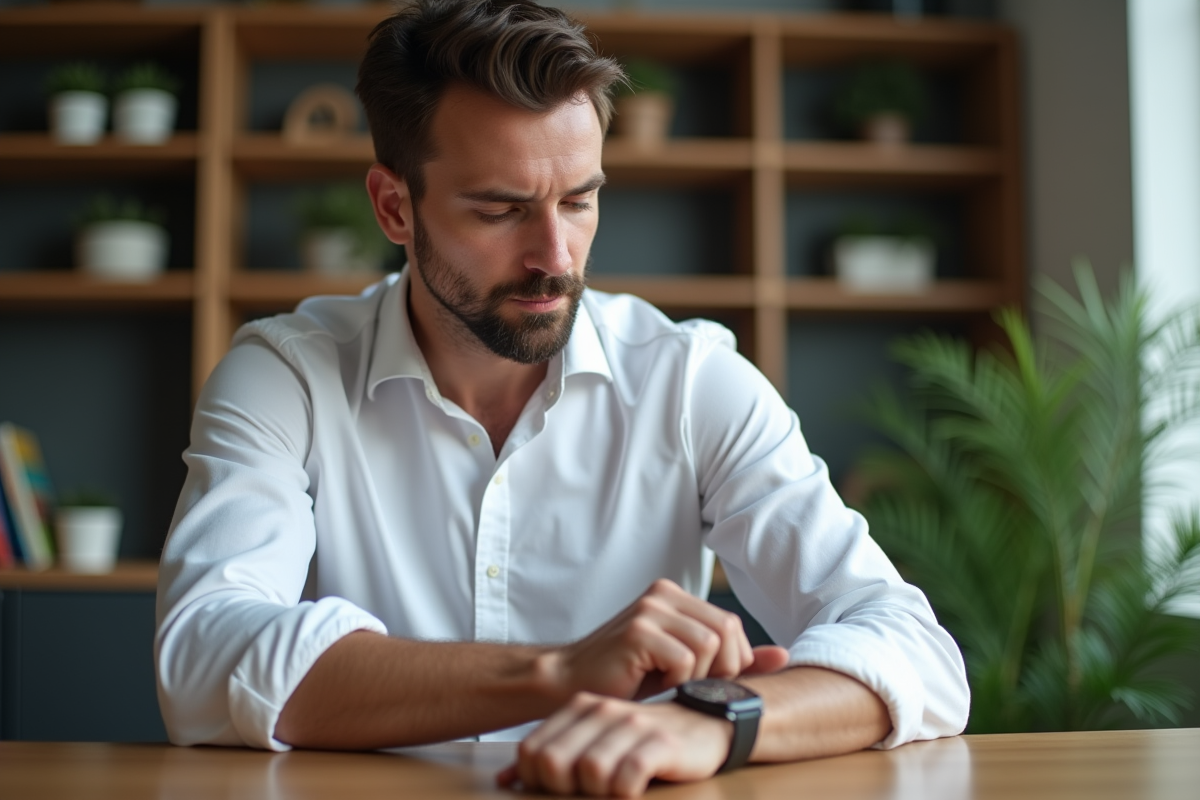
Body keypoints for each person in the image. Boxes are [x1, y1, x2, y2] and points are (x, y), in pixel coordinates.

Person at [155, 0, 969, 796]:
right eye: (500, 209)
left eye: (578, 201)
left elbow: (913, 651)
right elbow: (202, 656)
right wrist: (556, 671)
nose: (555, 255)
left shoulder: (690, 381)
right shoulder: (285, 375)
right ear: (395, 206)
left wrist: (712, 722)